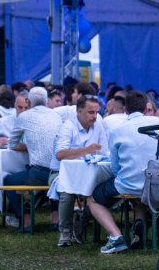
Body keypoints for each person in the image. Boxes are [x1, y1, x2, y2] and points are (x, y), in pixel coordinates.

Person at [91, 90, 159, 253]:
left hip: (129, 184)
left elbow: (115, 167)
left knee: (92, 200)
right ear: (146, 108)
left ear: (126, 110)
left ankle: (116, 236)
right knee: (138, 195)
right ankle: (139, 227)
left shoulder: (117, 130)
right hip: (157, 184)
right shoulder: (158, 123)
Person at [6, 87, 64, 232]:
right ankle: (56, 220)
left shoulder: (24, 116)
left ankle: (26, 221)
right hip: (60, 172)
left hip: (39, 173)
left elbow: (12, 144)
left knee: (8, 181)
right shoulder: (57, 116)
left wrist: (29, 147)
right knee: (52, 181)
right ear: (46, 101)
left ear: (28, 101)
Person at [54, 94, 107, 247]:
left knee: (104, 192)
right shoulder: (68, 126)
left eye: (96, 112)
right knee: (67, 192)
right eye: (91, 112)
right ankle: (65, 231)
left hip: (90, 174)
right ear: (79, 111)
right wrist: (86, 150)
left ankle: (82, 219)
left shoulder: (98, 125)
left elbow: (105, 153)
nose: (95, 116)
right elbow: (60, 154)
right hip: (61, 173)